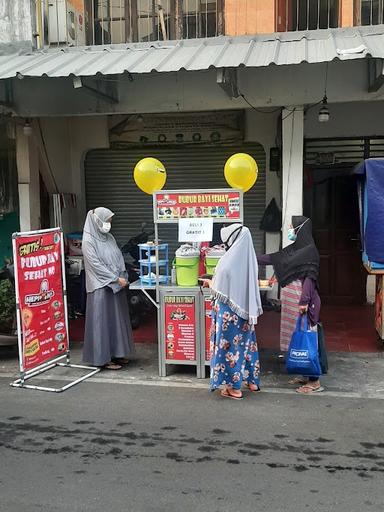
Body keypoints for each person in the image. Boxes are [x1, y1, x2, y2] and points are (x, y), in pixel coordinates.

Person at [258, 215, 324, 394]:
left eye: (291, 227)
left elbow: (310, 278)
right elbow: (274, 258)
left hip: (303, 303)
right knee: (296, 338)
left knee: (307, 338)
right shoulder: (294, 250)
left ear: (299, 230)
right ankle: (304, 373)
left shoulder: (310, 251)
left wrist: (303, 301)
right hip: (291, 303)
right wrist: (251, 257)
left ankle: (314, 381)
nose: (290, 230)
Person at [204, 223, 263, 400]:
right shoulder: (249, 258)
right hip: (245, 311)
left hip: (228, 314)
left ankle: (234, 388)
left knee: (229, 349)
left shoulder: (227, 261)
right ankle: (252, 381)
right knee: (247, 345)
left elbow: (220, 287)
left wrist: (209, 283)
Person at [82, 207, 135, 370]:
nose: (109, 224)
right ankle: (103, 359)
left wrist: (122, 274)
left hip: (116, 285)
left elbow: (118, 256)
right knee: (102, 323)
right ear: (98, 222)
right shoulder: (88, 241)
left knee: (117, 321)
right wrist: (114, 278)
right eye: (107, 221)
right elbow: (95, 265)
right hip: (100, 287)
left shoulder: (109, 237)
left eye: (110, 221)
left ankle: (118, 353)